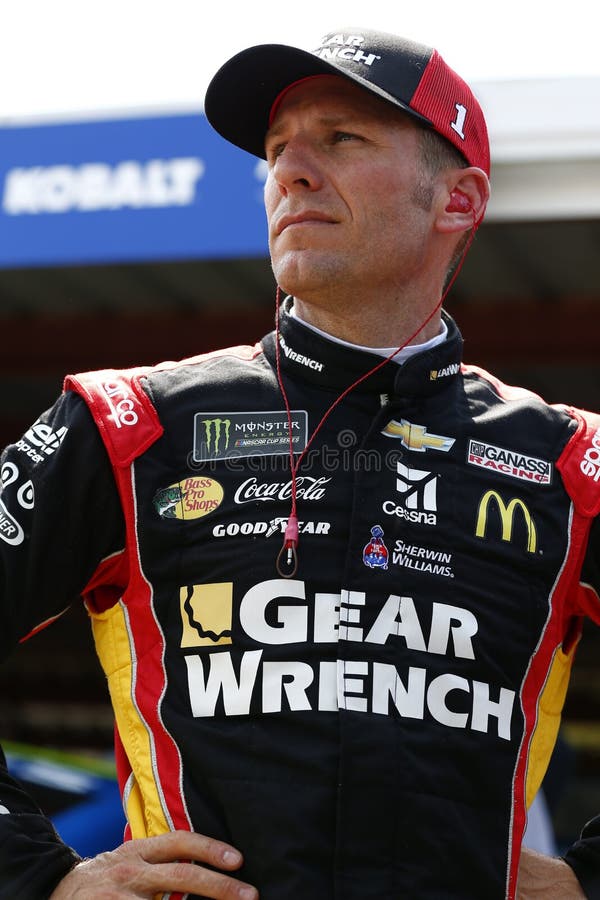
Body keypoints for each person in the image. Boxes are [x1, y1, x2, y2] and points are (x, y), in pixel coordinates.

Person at [0, 24, 599, 900]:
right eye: (278, 149)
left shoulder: (573, 462)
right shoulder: (126, 425)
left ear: (460, 200)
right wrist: (41, 878)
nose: (291, 170)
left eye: (341, 138)